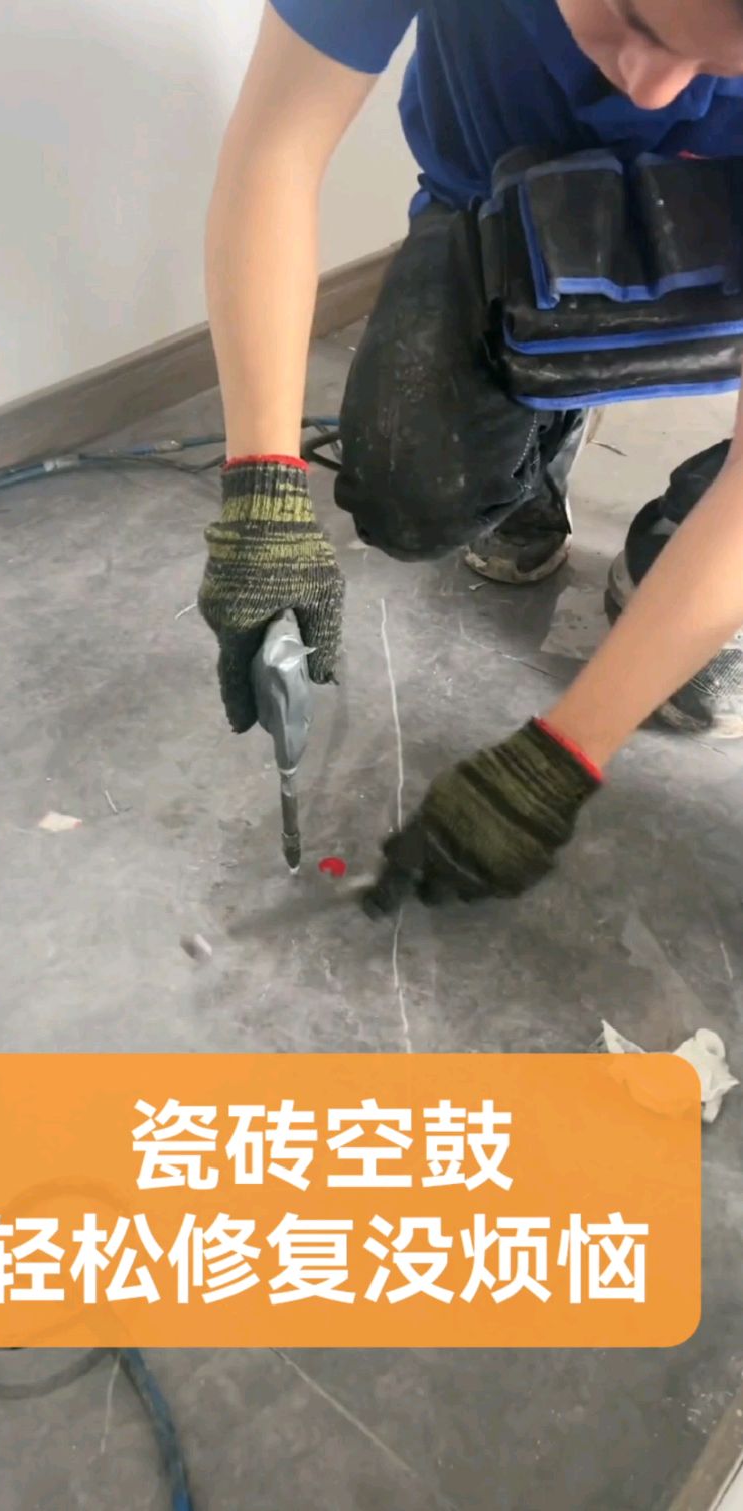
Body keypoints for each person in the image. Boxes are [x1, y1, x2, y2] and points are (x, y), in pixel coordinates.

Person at [198, 0, 743, 913]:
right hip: (502, 226)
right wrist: (263, 490)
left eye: (721, 66)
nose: (654, 92)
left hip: (719, 242)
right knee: (411, 492)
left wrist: (565, 755)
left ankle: (687, 522)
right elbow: (275, 152)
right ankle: (540, 429)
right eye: (633, 18)